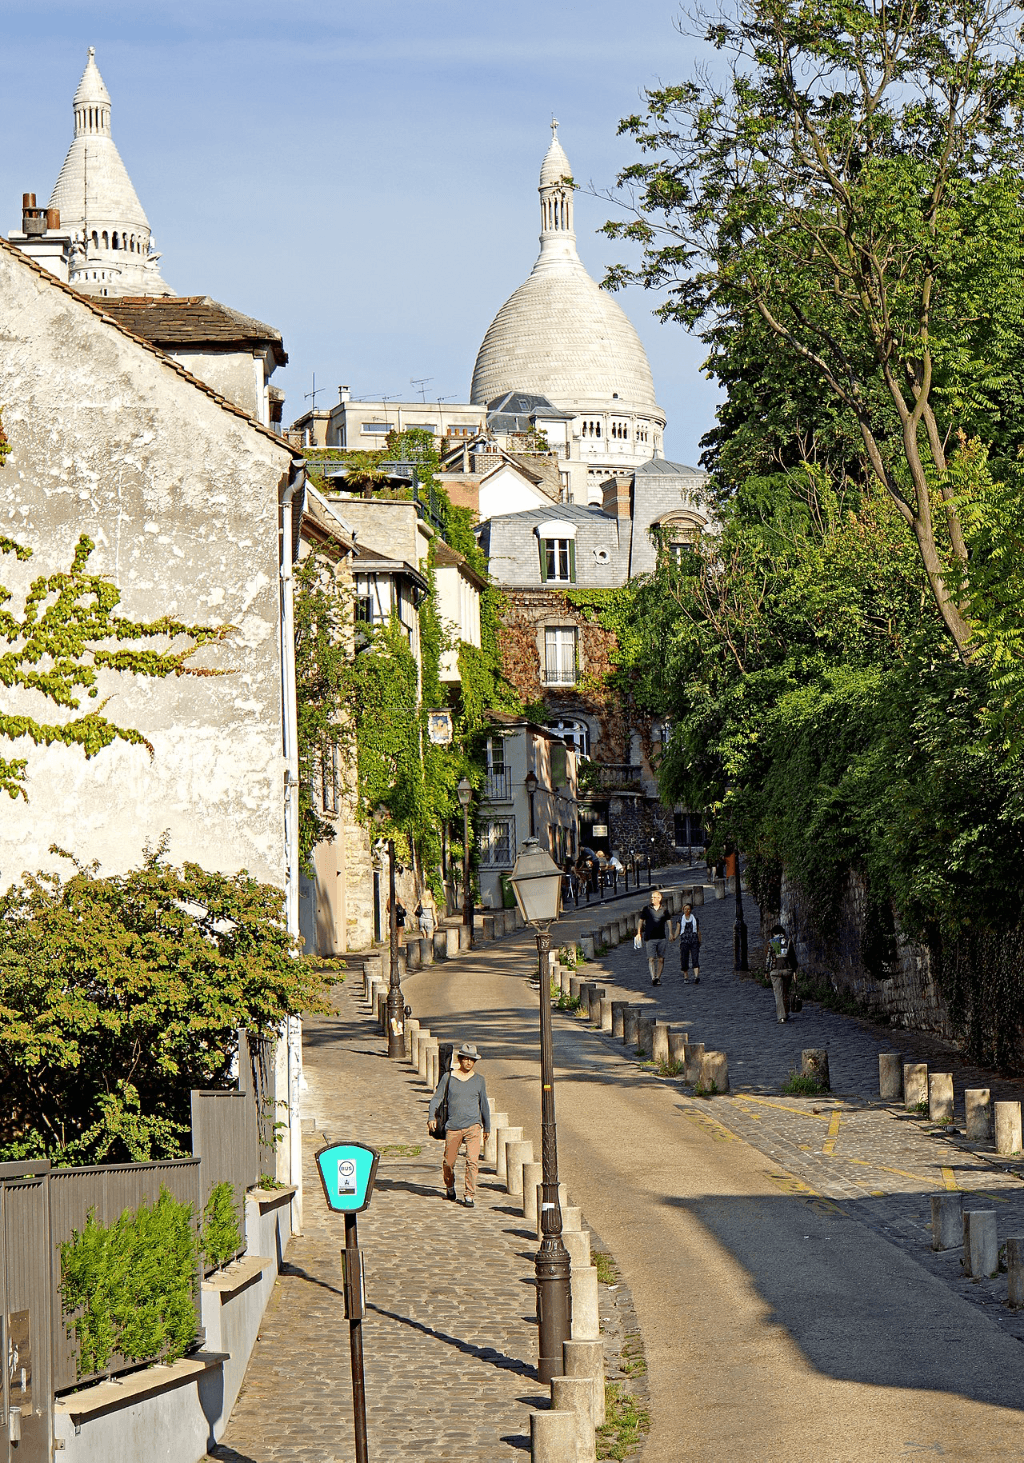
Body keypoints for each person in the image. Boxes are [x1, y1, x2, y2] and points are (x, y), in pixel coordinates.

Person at [427, 1043, 491, 1207]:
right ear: (460, 1059)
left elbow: (484, 1104)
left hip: (473, 1126)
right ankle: (449, 1185)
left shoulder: (479, 1080)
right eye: (466, 1059)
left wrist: (487, 1127)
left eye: (472, 1060)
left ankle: (469, 1194)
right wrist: (431, 1117)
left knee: (472, 1161)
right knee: (449, 1162)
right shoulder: (448, 1078)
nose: (469, 1063)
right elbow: (436, 1098)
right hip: (453, 1126)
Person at [634, 888, 675, 985]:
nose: (652, 899)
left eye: (654, 897)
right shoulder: (646, 909)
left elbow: (668, 921)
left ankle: (658, 977)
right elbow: (640, 921)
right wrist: (639, 932)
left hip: (661, 937)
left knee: (661, 958)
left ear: (659, 898)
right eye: (652, 898)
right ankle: (653, 977)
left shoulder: (664, 909)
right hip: (650, 937)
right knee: (651, 958)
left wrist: (670, 932)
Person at [766, 923, 799, 1023]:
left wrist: (766, 971)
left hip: (775, 970)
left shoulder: (772, 942)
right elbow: (793, 958)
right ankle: (786, 1011)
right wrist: (794, 971)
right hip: (787, 970)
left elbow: (769, 959)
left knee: (778, 994)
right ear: (783, 932)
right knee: (785, 992)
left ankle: (781, 1016)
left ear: (773, 933)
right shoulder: (788, 942)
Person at [679, 901, 702, 984]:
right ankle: (686, 976)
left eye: (688, 909)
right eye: (685, 909)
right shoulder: (680, 919)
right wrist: (673, 936)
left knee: (695, 958)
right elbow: (678, 931)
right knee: (684, 959)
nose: (687, 910)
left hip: (694, 940)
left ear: (691, 910)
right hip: (684, 941)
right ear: (683, 910)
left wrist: (699, 940)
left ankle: (696, 976)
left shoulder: (695, 919)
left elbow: (698, 930)